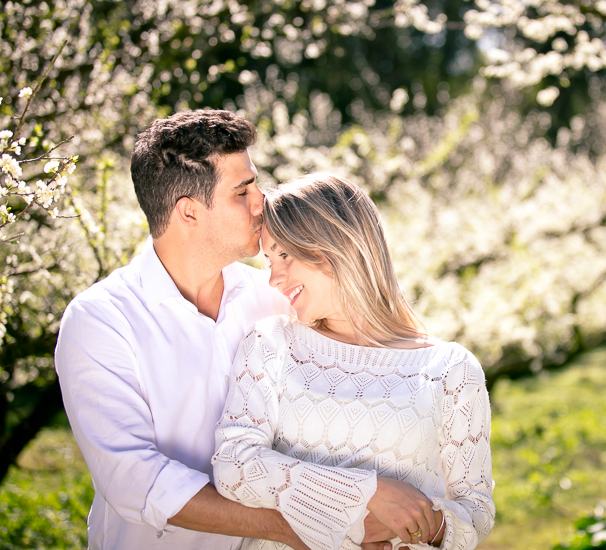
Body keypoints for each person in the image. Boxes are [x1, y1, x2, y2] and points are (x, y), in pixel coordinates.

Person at [55, 111, 431, 550]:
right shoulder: (100, 321)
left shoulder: (278, 298)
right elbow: (133, 479)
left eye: (257, 184)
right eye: (242, 191)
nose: (261, 202)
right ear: (189, 212)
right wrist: (299, 528)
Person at [211, 174, 495, 550]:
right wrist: (367, 494)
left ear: (334, 244)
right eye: (268, 260)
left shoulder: (451, 370)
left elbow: (477, 513)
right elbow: (234, 465)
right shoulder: (272, 343)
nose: (273, 279)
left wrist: (421, 524)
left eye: (284, 255)